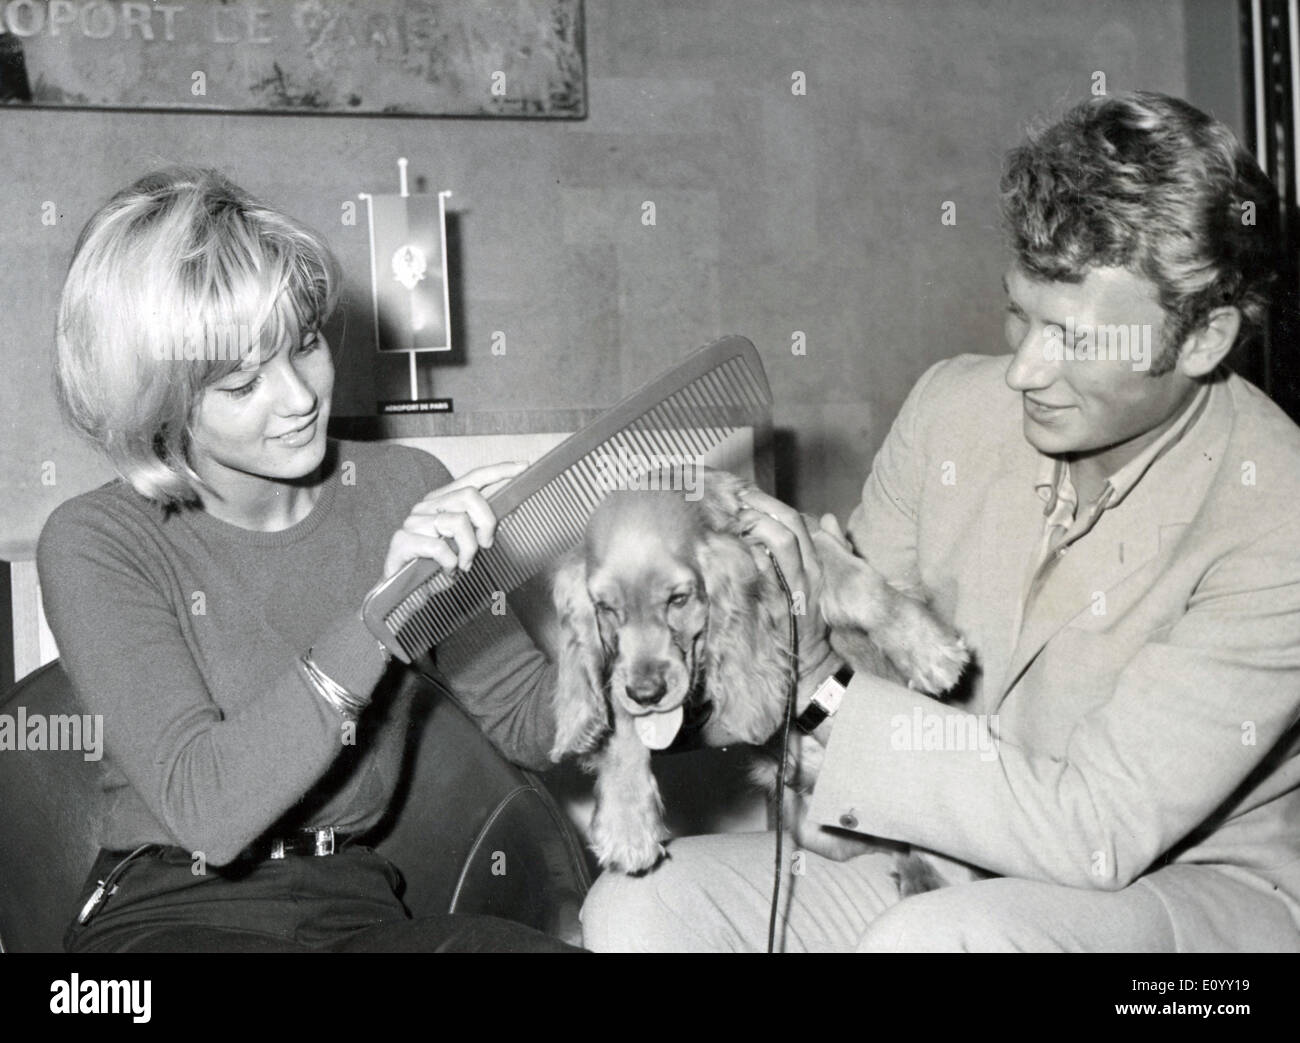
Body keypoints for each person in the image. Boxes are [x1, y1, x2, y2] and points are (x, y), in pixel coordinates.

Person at [581, 90, 1300, 952]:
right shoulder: (951, 407)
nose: (1024, 370)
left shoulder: (1277, 513)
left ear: (1204, 339)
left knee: (934, 942)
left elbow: (1095, 827)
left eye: (1076, 339)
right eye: (1018, 314)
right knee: (640, 910)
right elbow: (840, 665)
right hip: (944, 855)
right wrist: (723, 599)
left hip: (1182, 906)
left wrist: (822, 688)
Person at [37, 167, 589, 952]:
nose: (299, 397)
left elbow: (531, 720)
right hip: (169, 914)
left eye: (304, 345)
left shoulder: (405, 488)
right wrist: (381, 612)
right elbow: (210, 810)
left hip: (353, 905)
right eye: (242, 382)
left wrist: (661, 642)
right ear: (159, 402)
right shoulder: (97, 538)